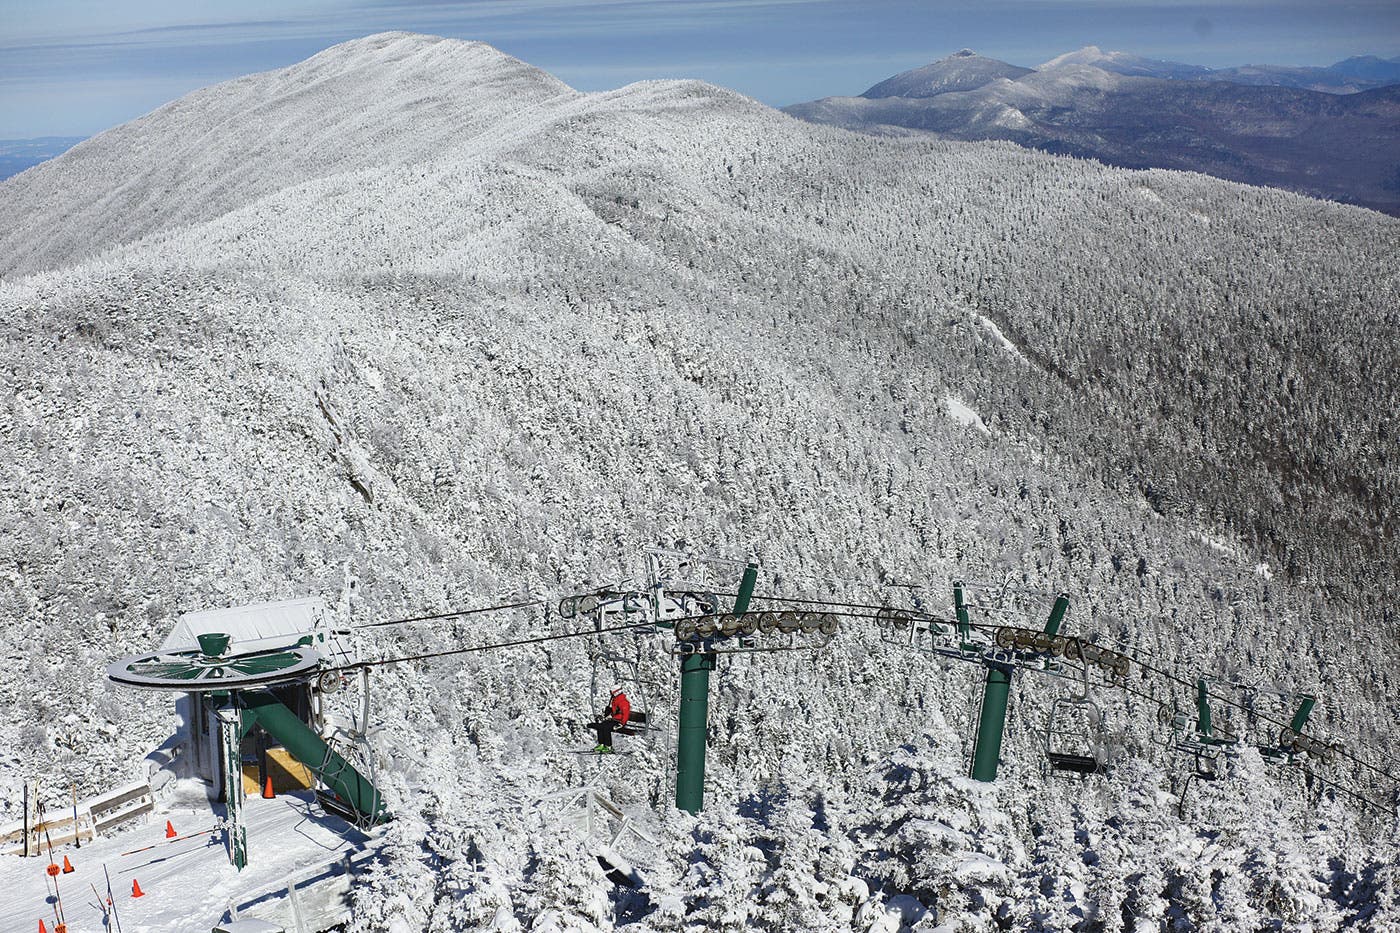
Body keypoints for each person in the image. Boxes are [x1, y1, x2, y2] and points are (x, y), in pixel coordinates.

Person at [588, 688, 631, 753]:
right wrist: (609, 716)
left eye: (612, 693)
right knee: (601, 725)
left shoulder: (623, 702)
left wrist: (622, 724)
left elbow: (625, 714)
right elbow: (614, 712)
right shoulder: (616, 700)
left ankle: (608, 746)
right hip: (614, 720)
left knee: (606, 727)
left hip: (619, 722)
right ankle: (602, 744)